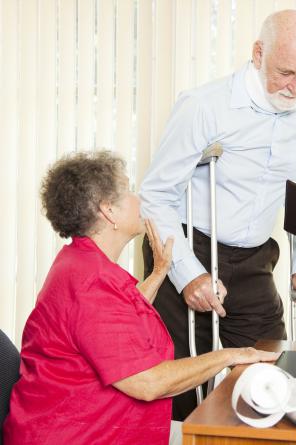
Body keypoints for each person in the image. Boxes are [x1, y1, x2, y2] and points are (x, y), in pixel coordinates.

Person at [2, 151, 278, 445]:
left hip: (90, 427)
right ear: (108, 210)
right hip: (78, 436)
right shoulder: (90, 283)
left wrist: (159, 272)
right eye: (129, 191)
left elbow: (114, 323)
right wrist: (232, 355)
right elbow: (149, 382)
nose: (139, 198)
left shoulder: (80, 262)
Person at [140, 9, 296, 420]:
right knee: (181, 384)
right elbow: (156, 194)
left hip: (254, 257)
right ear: (258, 53)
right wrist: (188, 274)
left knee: (269, 377)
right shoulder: (204, 106)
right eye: (285, 72)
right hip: (189, 246)